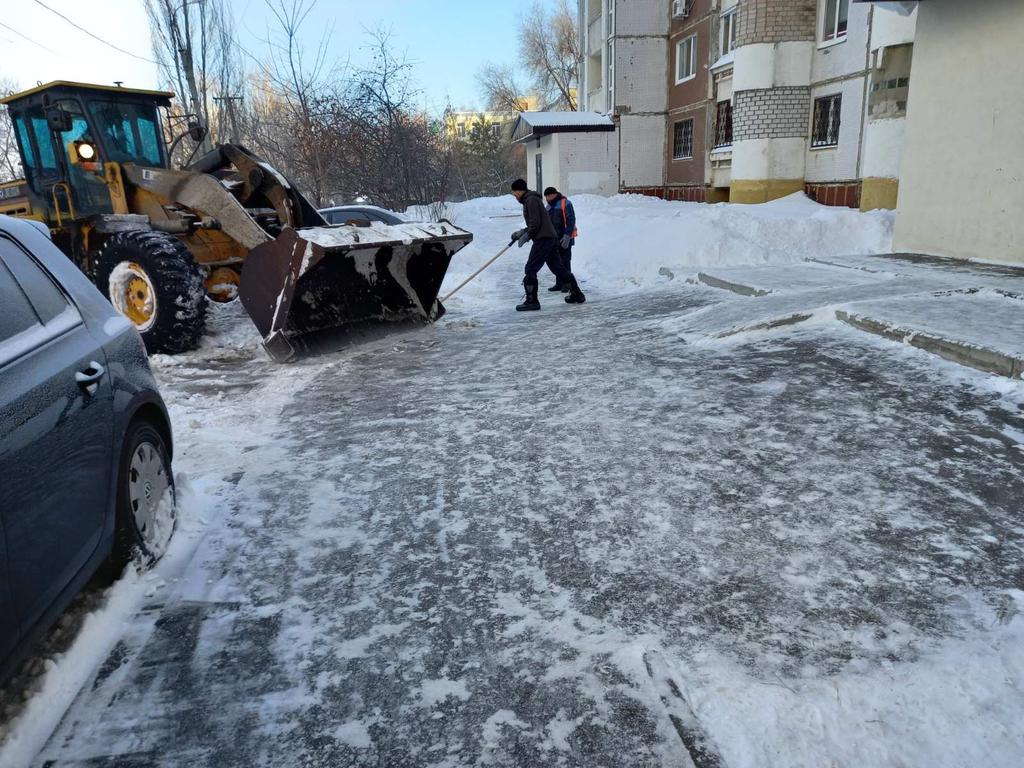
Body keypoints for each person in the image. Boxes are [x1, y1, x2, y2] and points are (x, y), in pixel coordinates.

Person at [509, 179, 585, 311]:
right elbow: (536, 222)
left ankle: (532, 301)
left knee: (530, 269)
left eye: (515, 192)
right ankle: (577, 294)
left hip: (543, 239)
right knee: (558, 268)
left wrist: (527, 236)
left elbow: (536, 223)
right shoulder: (531, 199)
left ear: (520, 191)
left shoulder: (530, 200)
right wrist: (522, 232)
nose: (514, 195)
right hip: (549, 238)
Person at [543, 186, 576, 292]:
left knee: (565, 261)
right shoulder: (549, 206)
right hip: (554, 238)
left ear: (554, 194)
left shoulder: (565, 203)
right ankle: (559, 283)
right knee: (557, 262)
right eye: (546, 197)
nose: (547, 198)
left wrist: (567, 236)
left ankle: (568, 285)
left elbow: (571, 220)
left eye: (548, 196)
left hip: (565, 238)